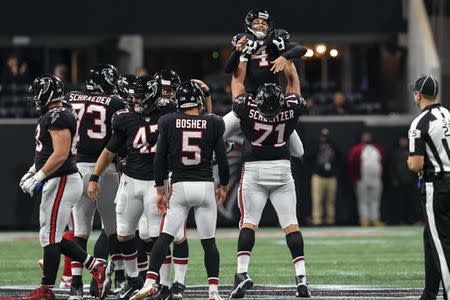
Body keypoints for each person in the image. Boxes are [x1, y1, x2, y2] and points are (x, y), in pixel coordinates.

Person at [87, 76, 187, 300]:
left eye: (141, 97)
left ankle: (163, 284)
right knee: (123, 234)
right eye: (134, 97)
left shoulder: (168, 112)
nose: (137, 101)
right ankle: (134, 280)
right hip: (130, 180)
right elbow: (110, 150)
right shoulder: (124, 118)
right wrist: (94, 176)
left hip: (156, 183)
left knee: (155, 237)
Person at [131, 81, 229, 300]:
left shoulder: (168, 121)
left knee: (165, 237)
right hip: (204, 186)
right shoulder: (213, 122)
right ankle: (213, 291)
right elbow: (222, 160)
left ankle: (149, 281)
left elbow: (159, 158)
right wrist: (223, 186)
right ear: (198, 102)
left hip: (180, 186)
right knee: (209, 242)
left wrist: (159, 190)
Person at [19, 75, 105, 300]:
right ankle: (94, 265)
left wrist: (38, 176)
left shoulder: (58, 115)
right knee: (50, 236)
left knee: (50, 236)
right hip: (59, 179)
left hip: (63, 179)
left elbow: (60, 153)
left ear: (46, 93)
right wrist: (34, 170)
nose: (35, 99)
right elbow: (48, 152)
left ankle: (47, 289)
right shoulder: (56, 113)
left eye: (38, 93)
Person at [228, 83, 310, 298]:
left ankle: (242, 273)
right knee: (291, 224)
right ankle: (301, 277)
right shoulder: (291, 109)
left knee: (249, 223)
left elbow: (221, 127)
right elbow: (299, 151)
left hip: (254, 171)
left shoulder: (246, 107)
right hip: (282, 170)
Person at [66, 64, 127, 299]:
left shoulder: (71, 98)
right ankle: (120, 277)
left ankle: (76, 286)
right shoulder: (115, 104)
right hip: (106, 168)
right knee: (115, 229)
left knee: (79, 230)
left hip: (77, 167)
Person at [222, 8, 306, 158]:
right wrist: (238, 51)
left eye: (263, 22)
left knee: (299, 151)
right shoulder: (243, 40)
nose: (260, 25)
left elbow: (301, 49)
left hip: (273, 99)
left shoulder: (277, 38)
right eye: (256, 22)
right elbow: (228, 68)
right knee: (217, 133)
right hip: (250, 100)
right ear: (249, 24)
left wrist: (284, 56)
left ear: (269, 25)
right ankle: (230, 145)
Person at [407, 75, 450, 300]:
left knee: (441, 243)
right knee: (431, 238)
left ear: (418, 94)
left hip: (438, 186)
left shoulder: (420, 122)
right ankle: (430, 292)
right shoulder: (448, 115)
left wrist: (409, 161)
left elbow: (416, 164)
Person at [348, 132, 385, 227]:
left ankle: (375, 218)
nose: (366, 138)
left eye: (368, 136)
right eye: (365, 136)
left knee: (375, 200)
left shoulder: (377, 148)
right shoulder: (356, 149)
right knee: (363, 200)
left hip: (376, 179)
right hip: (362, 178)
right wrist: (355, 178)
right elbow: (352, 164)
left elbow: (384, 162)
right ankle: (364, 219)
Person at [309, 128, 340, 225]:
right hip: (318, 177)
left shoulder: (333, 146)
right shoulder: (315, 146)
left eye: (326, 137)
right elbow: (308, 157)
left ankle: (330, 220)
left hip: (330, 177)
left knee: (330, 201)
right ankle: (317, 220)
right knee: (317, 200)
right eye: (322, 136)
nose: (324, 138)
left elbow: (340, 157)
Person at [390, 135, 421, 224]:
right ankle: (402, 220)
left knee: (412, 202)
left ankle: (413, 220)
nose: (403, 142)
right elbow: (392, 168)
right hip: (400, 182)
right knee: (401, 203)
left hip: (411, 182)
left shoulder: (413, 152)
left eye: (405, 140)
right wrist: (394, 179)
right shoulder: (396, 153)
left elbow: (416, 167)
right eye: (402, 140)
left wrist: (416, 180)